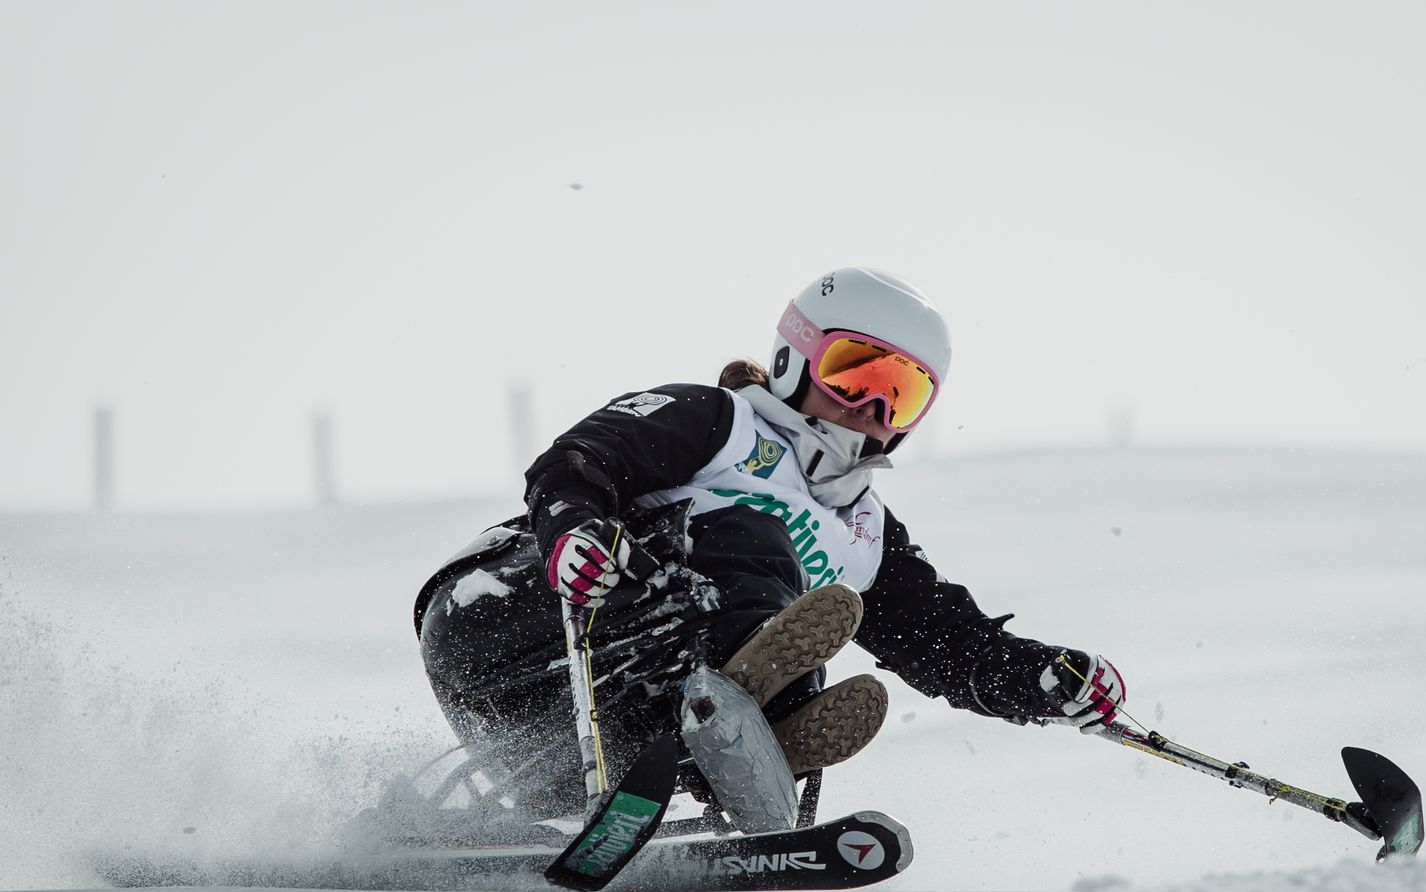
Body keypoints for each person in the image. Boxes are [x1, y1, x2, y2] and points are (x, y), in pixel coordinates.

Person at [414, 267, 1125, 823]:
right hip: (505, 616)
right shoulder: (721, 422)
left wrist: (1043, 681)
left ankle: (757, 741)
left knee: (815, 624)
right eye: (855, 373)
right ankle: (748, 708)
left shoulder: (865, 535)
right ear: (796, 357)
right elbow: (577, 460)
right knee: (753, 538)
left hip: (591, 732)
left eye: (900, 394)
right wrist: (575, 532)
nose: (870, 408)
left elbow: (948, 644)